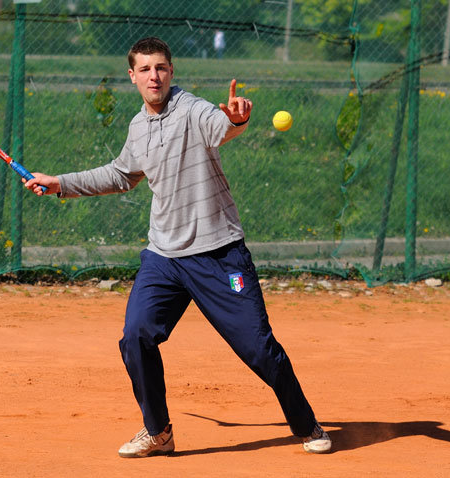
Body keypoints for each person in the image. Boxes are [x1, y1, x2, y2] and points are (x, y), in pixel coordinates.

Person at [23, 36, 331, 457]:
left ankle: (306, 424)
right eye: (146, 69)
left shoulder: (193, 109)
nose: (155, 76)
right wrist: (61, 183)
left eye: (162, 68)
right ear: (132, 76)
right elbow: (120, 174)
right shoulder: (137, 127)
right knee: (135, 337)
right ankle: (158, 432)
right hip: (164, 258)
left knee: (259, 348)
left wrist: (235, 119)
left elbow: (220, 127)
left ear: (172, 72)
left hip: (219, 254)